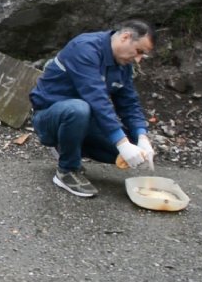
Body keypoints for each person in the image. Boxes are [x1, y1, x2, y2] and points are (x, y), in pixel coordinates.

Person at [29, 19, 157, 198]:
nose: (138, 59)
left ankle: (69, 145)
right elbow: (96, 99)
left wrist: (142, 137)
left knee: (134, 149)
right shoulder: (85, 48)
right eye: (138, 51)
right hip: (49, 117)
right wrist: (121, 143)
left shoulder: (123, 65)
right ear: (125, 37)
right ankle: (67, 171)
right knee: (78, 109)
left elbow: (129, 102)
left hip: (86, 119)